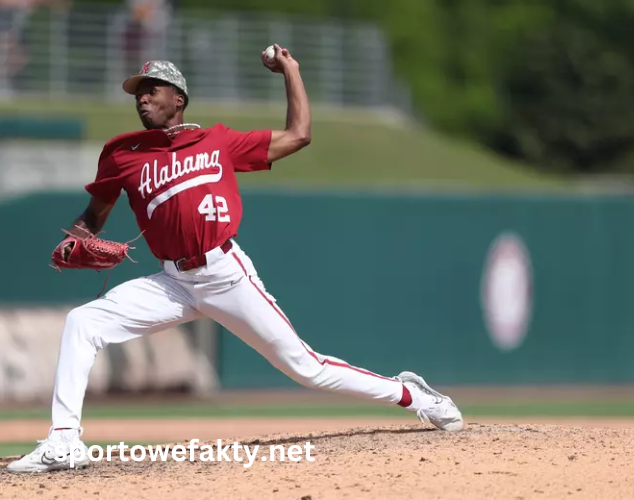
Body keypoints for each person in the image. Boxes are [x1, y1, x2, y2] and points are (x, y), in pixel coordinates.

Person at [7, 45, 463, 474]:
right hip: (170, 283)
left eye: (152, 88)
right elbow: (96, 212)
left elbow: (298, 135)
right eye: (137, 92)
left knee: (307, 369)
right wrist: (79, 237)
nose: (142, 97)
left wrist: (292, 72)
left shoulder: (217, 141)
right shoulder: (123, 154)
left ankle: (411, 394)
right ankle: (65, 439)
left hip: (225, 273)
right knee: (82, 324)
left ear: (178, 98)